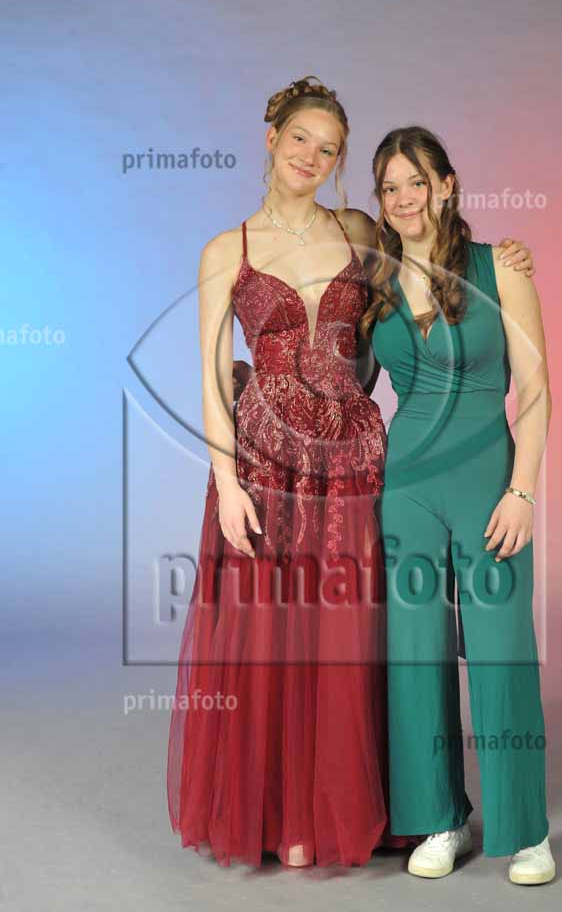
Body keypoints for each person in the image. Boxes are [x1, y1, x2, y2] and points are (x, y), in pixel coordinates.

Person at [167, 76, 536, 869]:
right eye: (300, 139)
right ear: (271, 139)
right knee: (274, 633)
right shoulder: (224, 251)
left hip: (354, 458)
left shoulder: (360, 230)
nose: (312, 156)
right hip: (264, 465)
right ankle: (282, 814)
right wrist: (226, 484)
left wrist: (500, 259)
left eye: (329, 148)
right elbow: (207, 378)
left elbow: (426, 266)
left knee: (359, 634)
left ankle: (361, 807)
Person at [365, 126, 555, 885]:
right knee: (416, 654)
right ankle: (439, 817)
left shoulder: (498, 267)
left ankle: (526, 829)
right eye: (389, 187)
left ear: (446, 184)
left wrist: (522, 488)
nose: (403, 198)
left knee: (501, 649)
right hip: (406, 484)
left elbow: (534, 390)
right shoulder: (374, 284)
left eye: (416, 181)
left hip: (487, 480)